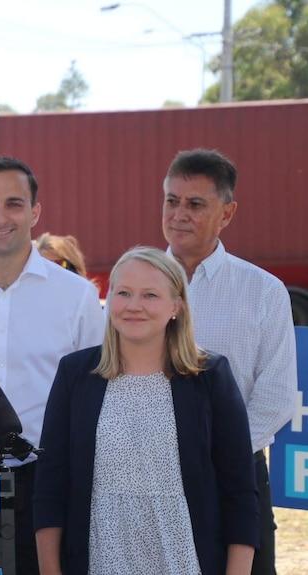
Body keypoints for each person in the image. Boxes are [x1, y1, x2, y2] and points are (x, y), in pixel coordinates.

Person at [34, 246, 259, 575]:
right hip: (101, 563)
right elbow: (50, 488)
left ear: (176, 307)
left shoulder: (210, 377)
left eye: (150, 295)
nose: (133, 306)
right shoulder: (75, 375)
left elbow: (239, 493)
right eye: (123, 292)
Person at [162, 149, 297, 575]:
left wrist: (213, 456)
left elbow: (275, 398)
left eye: (195, 204)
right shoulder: (136, 284)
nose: (179, 214)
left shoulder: (263, 291)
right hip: (151, 475)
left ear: (227, 213)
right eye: (171, 200)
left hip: (236, 477)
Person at [0, 157, 105, 575]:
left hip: (47, 483)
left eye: (14, 203)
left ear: (34, 212)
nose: (1, 217)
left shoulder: (76, 297)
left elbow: (98, 395)